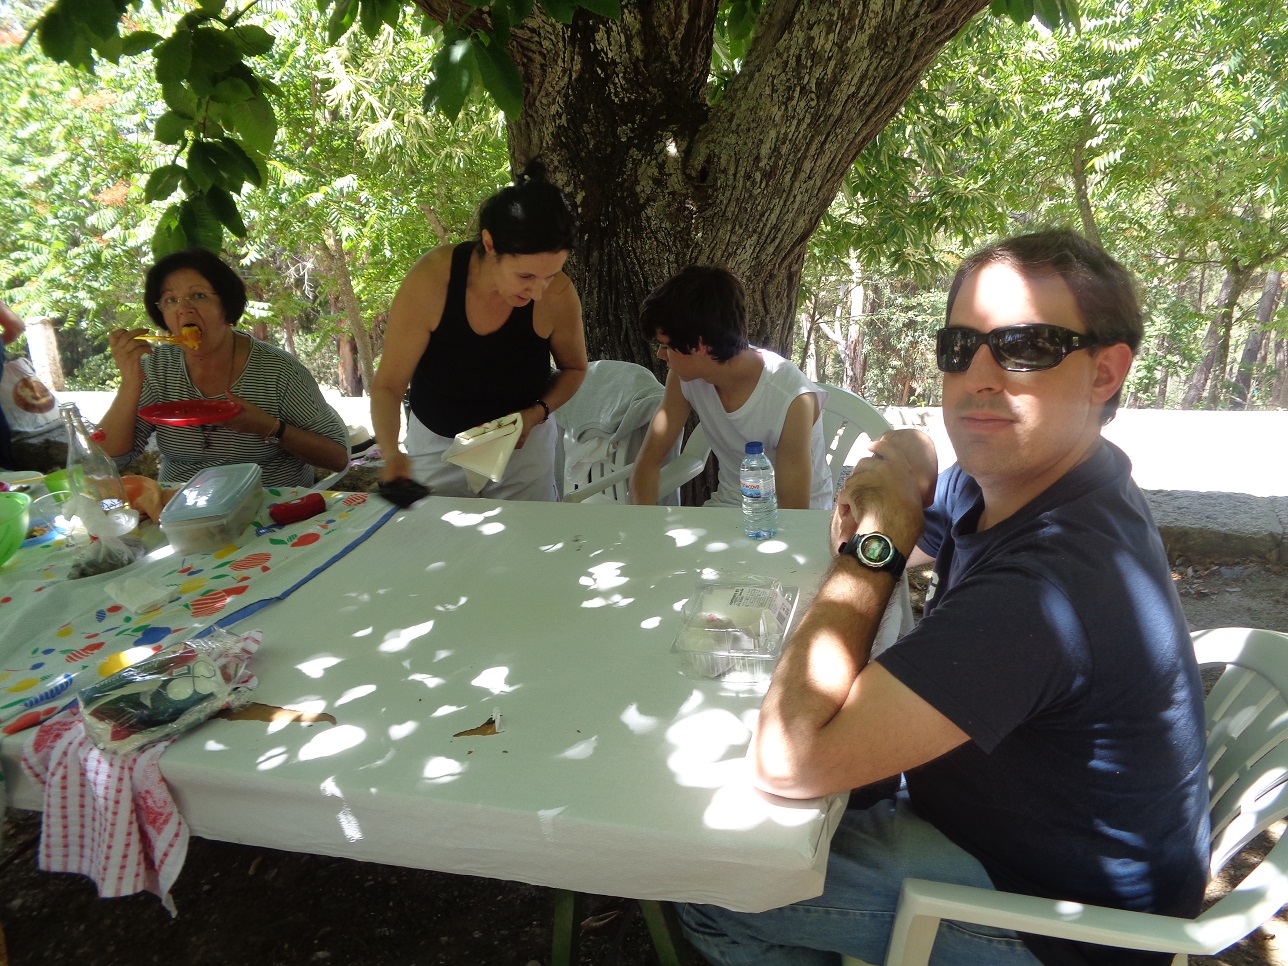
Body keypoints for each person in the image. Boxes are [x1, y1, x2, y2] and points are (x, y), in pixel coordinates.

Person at [677, 230, 1210, 966]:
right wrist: (907, 458)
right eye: (960, 347)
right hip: (1018, 830)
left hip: (1063, 923)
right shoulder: (1040, 477)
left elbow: (788, 759)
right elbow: (881, 503)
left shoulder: (1049, 587)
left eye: (1026, 347)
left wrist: (880, 543)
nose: (977, 377)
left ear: (1105, 373)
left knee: (719, 885)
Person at [370, 160, 587, 501]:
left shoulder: (558, 295)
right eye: (525, 276)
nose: (538, 292)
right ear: (489, 243)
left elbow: (574, 368)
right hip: (437, 445)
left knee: (527, 534)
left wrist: (536, 414)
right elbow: (388, 385)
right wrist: (392, 454)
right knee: (434, 531)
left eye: (549, 275)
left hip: (521, 448)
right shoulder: (432, 281)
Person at [99, 249, 349, 488]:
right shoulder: (156, 367)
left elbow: (337, 457)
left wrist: (269, 427)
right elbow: (108, 459)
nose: (184, 309)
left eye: (199, 296)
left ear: (226, 306)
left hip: (269, 504)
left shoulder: (277, 369)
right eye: (170, 300)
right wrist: (130, 381)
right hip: (181, 503)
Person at [628, 265, 833, 510]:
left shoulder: (792, 399)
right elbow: (648, 461)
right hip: (729, 507)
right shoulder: (683, 378)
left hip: (795, 518)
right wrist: (643, 520)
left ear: (700, 345)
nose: (661, 355)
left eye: (667, 346)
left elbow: (794, 511)